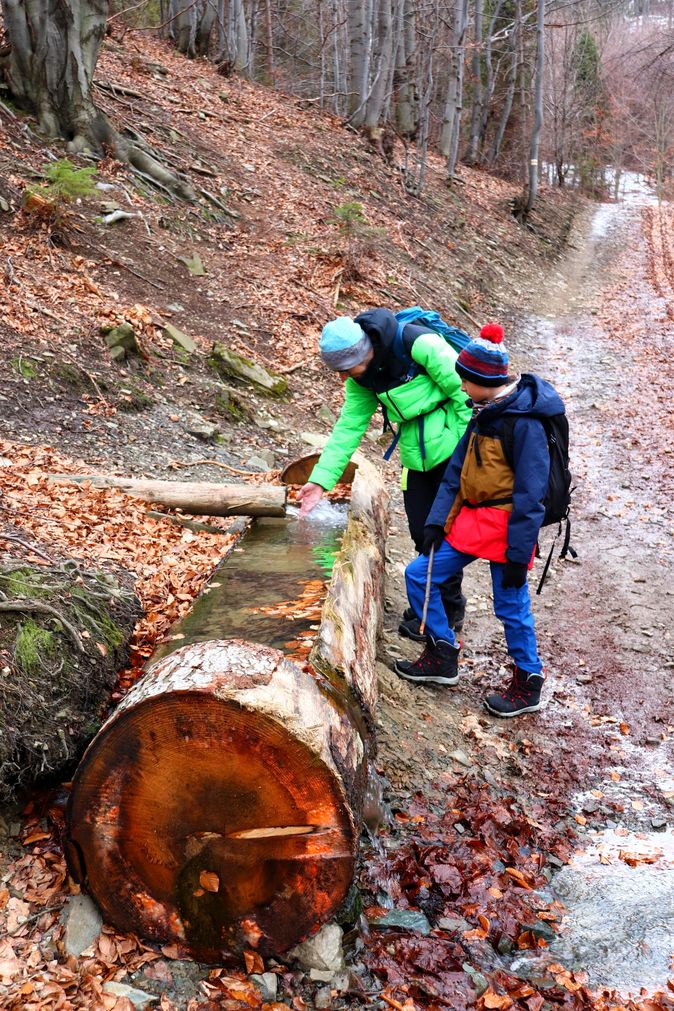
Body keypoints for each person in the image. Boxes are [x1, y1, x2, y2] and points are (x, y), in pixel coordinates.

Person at [395, 323, 565, 717]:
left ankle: (529, 681)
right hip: (472, 519)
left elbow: (531, 494)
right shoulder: (482, 413)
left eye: (464, 381)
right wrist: (437, 522)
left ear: (481, 380)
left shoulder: (524, 423)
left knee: (510, 604)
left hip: (508, 527)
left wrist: (519, 554)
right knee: (419, 574)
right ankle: (442, 654)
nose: (461, 387)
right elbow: (456, 471)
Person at [297, 309, 472, 634]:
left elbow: (467, 393)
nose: (344, 378)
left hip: (454, 445)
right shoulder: (363, 379)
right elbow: (348, 429)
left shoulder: (418, 344)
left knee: (442, 529)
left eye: (346, 369)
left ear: (364, 353)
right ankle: (434, 606)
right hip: (415, 452)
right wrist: (320, 482)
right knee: (422, 532)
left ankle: (448, 609)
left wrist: (463, 449)